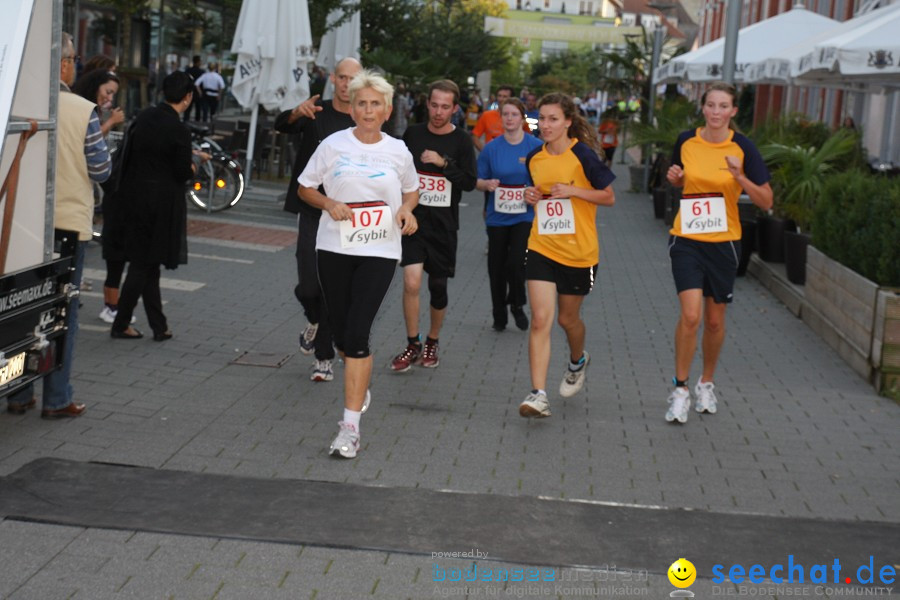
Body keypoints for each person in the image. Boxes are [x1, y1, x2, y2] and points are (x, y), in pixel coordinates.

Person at [298, 70, 419, 459]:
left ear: (387, 111)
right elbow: (305, 187)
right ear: (352, 108)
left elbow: (411, 191)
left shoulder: (398, 150)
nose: (368, 111)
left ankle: (349, 428)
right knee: (342, 336)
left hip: (380, 249)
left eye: (375, 104)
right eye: (361, 103)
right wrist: (329, 203)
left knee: (359, 333)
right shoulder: (333, 144)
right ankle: (357, 375)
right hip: (334, 246)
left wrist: (406, 210)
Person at [5, 32, 111, 419]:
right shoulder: (83, 110)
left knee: (20, 306)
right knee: (61, 311)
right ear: (65, 64)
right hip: (67, 222)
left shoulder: (17, 103)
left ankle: (17, 394)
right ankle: (57, 397)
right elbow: (101, 169)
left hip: (20, 221)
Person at [664, 82, 773, 424]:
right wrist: (677, 178)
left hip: (724, 242)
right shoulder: (686, 140)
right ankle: (680, 389)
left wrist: (741, 177)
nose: (715, 112)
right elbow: (680, 180)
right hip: (687, 239)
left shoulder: (742, 147)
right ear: (703, 107)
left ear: (733, 112)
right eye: (710, 105)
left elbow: (766, 201)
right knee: (692, 316)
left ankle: (706, 382)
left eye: (722, 106)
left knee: (714, 321)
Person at [518, 93, 616, 419]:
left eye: (553, 119)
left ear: (567, 122)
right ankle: (538, 394)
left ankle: (578, 360)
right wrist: (530, 196)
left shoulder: (583, 156)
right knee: (541, 319)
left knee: (566, 319)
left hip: (579, 253)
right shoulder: (535, 157)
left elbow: (608, 196)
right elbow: (538, 196)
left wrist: (573, 190)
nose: (545, 125)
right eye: (541, 119)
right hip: (542, 245)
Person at [274, 57, 363, 383]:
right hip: (313, 211)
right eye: (341, 77)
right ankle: (313, 319)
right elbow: (282, 125)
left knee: (331, 289)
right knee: (309, 287)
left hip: (347, 218)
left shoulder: (364, 118)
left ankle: (323, 358)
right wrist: (296, 113)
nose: (346, 84)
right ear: (332, 79)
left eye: (352, 78)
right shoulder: (316, 112)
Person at [110, 71, 208, 341]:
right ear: (187, 98)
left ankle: (159, 326)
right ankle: (120, 324)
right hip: (160, 205)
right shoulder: (179, 129)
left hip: (133, 197)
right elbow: (181, 171)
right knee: (143, 265)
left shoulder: (144, 116)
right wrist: (195, 162)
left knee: (148, 264)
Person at [390, 79, 477, 372]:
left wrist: (443, 164)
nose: (439, 112)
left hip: (444, 225)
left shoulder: (462, 140)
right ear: (427, 104)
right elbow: (398, 172)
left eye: (445, 107)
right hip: (414, 221)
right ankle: (412, 343)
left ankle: (432, 340)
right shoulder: (412, 134)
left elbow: (469, 182)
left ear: (454, 109)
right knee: (411, 281)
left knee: (438, 286)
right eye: (434, 105)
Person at [476, 98, 542, 332]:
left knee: (516, 263)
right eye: (506, 114)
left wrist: (534, 191)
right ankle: (499, 312)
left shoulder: (535, 146)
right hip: (497, 217)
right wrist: (487, 184)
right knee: (496, 266)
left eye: (515, 114)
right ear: (501, 117)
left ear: (522, 118)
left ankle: (516, 303)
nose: (510, 118)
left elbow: (543, 179)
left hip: (524, 215)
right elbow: (478, 180)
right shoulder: (492, 148)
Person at [71, 70, 131, 326]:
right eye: (107, 92)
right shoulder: (86, 112)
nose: (109, 99)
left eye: (113, 94)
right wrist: (110, 122)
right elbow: (98, 165)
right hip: (75, 199)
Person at [471, 86, 528, 151]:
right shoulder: (487, 115)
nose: (501, 99)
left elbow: (528, 139)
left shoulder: (519, 118)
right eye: (499, 96)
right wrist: (485, 152)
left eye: (505, 96)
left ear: (512, 99)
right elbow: (475, 136)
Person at [184, 55, 205, 122]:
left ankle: (186, 121)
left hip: (189, 91)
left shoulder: (188, 70)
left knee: (188, 109)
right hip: (198, 92)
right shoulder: (202, 72)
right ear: (198, 62)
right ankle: (197, 122)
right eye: (200, 61)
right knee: (198, 109)